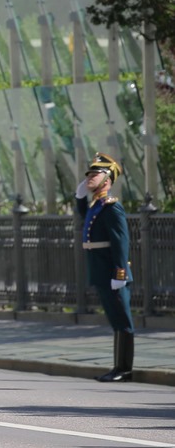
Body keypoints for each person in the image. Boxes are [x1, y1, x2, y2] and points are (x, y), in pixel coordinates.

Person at [75, 152, 134, 382]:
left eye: (95, 174)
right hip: (101, 272)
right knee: (115, 319)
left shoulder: (112, 208)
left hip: (112, 273)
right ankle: (118, 367)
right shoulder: (96, 206)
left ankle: (125, 369)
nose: (89, 177)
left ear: (108, 181)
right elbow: (84, 215)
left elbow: (121, 242)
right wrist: (80, 195)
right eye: (88, 174)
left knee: (123, 320)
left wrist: (120, 272)